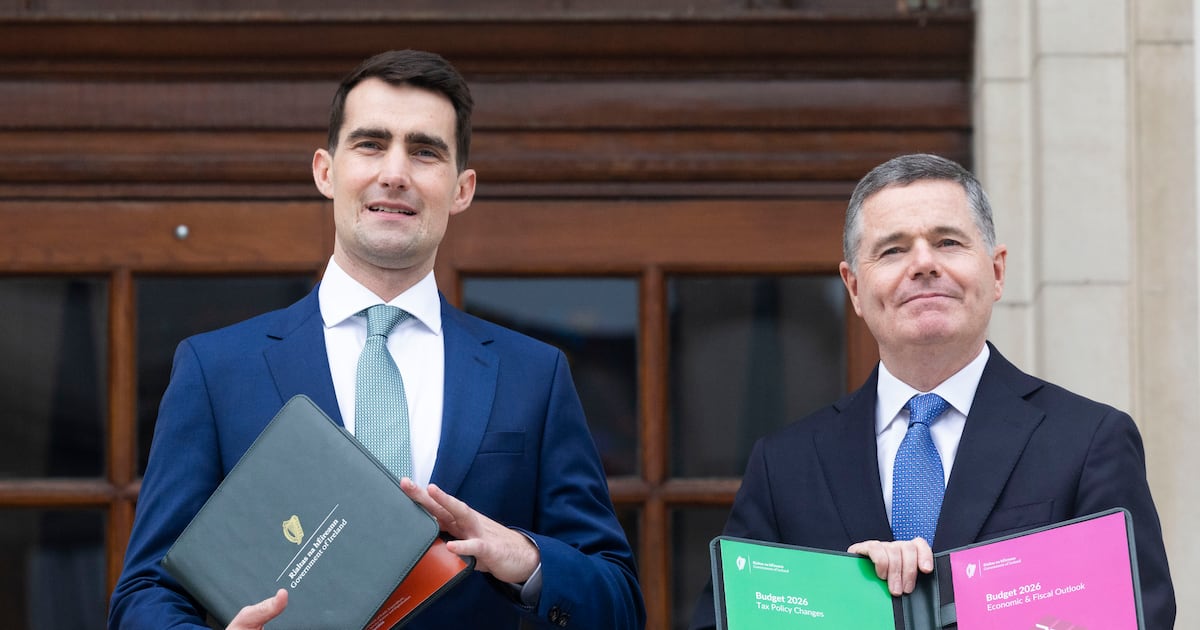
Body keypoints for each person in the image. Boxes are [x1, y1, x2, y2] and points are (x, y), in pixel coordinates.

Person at [108, 49, 645, 630]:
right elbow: (145, 593)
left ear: (462, 189)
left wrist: (529, 559)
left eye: (425, 151)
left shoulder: (533, 376)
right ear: (325, 171)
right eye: (370, 144)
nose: (395, 173)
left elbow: (618, 598)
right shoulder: (216, 370)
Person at [689, 153, 1175, 629]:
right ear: (854, 288)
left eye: (947, 242)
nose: (923, 264)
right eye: (893, 250)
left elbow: (1137, 617)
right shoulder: (784, 465)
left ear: (997, 271)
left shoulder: (1089, 441)